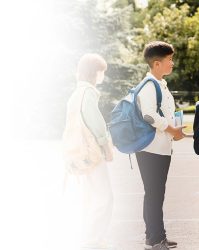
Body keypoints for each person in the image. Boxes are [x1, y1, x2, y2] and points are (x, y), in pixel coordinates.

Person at [136, 41, 185, 250]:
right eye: (169, 60)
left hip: (160, 148)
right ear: (157, 63)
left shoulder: (160, 84)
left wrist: (175, 128)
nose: (172, 63)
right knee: (154, 194)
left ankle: (158, 236)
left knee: (157, 194)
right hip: (150, 149)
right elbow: (148, 115)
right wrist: (172, 130)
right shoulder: (149, 85)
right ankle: (154, 240)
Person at [63, 53, 114, 250]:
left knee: (89, 196)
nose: (102, 75)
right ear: (95, 73)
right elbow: (96, 123)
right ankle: (93, 240)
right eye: (101, 71)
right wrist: (106, 146)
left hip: (77, 154)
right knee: (104, 196)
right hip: (91, 153)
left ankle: (88, 238)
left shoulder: (76, 94)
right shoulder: (89, 93)